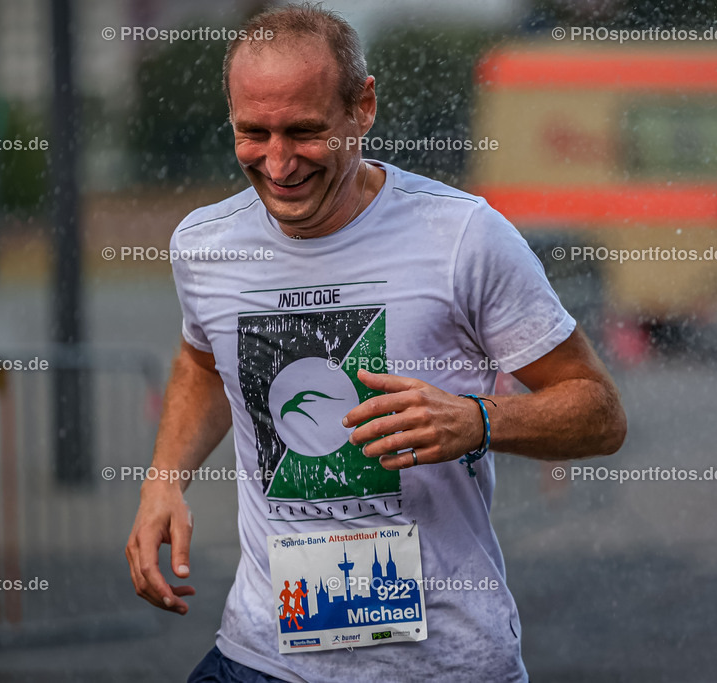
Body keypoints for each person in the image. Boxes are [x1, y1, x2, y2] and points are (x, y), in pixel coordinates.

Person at [125, 4, 626, 682]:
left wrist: (475, 420)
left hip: (445, 665)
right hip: (264, 656)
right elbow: (204, 362)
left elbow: (598, 411)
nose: (277, 163)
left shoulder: (463, 238)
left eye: (303, 131)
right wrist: (164, 480)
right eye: (253, 132)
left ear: (363, 108)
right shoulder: (206, 246)